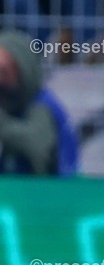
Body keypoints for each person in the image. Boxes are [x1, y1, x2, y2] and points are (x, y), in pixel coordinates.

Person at [0, 30, 76, 175]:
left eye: (6, 71)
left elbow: (36, 147)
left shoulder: (43, 106)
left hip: (50, 192)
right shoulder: (14, 105)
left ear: (24, 70)